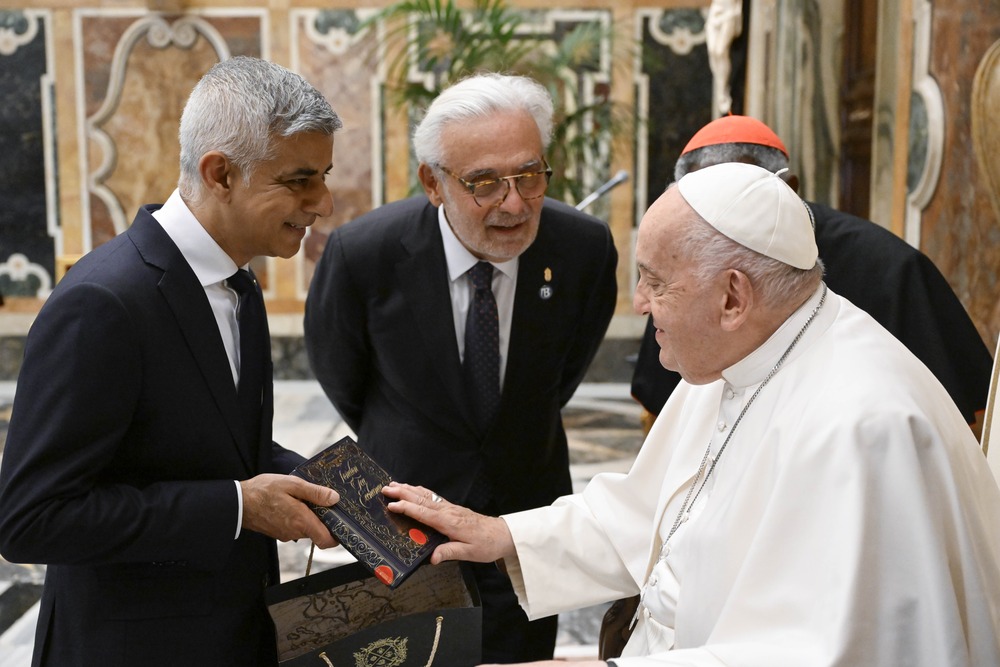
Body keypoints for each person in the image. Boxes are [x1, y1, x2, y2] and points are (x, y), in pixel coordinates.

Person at [382, 162, 1000, 666]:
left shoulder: (863, 427)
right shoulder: (741, 353)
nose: (639, 303)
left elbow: (819, 652)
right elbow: (648, 516)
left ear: (733, 296)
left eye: (654, 281)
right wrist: (503, 535)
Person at [0, 56, 344, 667]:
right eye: (299, 180)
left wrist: (347, 491)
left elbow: (229, 449)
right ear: (220, 175)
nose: (323, 202)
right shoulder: (102, 303)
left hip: (232, 635)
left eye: (324, 175)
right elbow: (33, 518)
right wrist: (237, 507)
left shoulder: (239, 284)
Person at [304, 72, 618, 663]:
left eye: (530, 174)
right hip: (403, 519)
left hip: (527, 516)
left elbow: (562, 372)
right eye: (484, 184)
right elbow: (341, 372)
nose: (516, 202)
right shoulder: (364, 254)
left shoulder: (583, 250)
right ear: (433, 182)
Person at [631, 115, 993, 434]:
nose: (641, 301)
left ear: (789, 189)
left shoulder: (891, 267)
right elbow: (659, 419)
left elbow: (952, 424)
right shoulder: (680, 272)